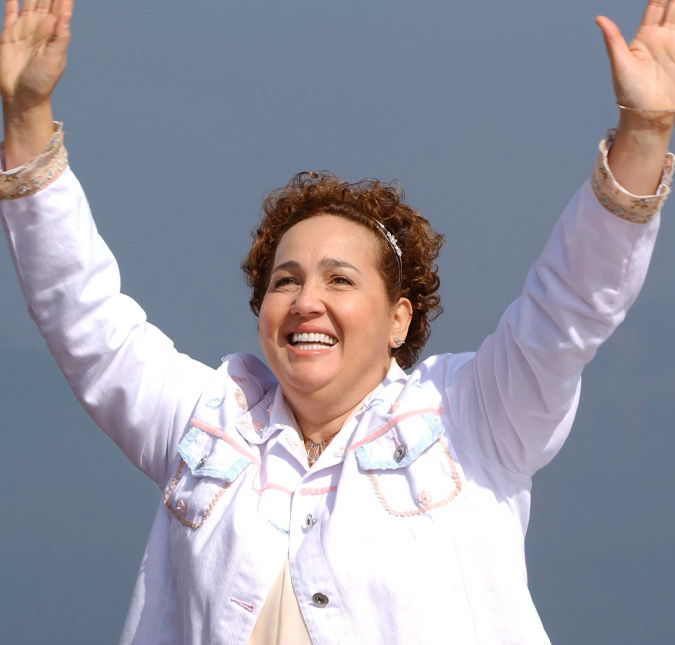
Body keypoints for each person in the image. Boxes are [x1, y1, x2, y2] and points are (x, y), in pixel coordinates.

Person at [1, 0, 674, 643]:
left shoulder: (474, 418)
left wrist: (641, 134)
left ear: (398, 318)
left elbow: (569, 307)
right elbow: (82, 316)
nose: (304, 301)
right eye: (284, 280)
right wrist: (27, 115)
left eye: (339, 279)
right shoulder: (205, 425)